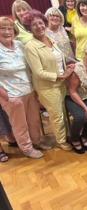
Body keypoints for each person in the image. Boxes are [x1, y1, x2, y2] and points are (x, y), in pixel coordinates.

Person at [23, 10, 74, 151]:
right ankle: (61, 141)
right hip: (47, 86)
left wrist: (67, 67)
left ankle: (65, 135)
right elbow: (38, 72)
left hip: (61, 83)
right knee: (56, 115)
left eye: (40, 23)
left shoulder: (50, 39)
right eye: (34, 25)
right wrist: (60, 76)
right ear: (29, 28)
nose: (39, 26)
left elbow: (59, 58)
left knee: (63, 112)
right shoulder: (30, 46)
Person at [0, 16, 50, 159]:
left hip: (29, 90)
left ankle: (37, 141)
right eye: (3, 28)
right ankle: (27, 148)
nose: (7, 31)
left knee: (34, 120)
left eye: (9, 28)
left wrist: (35, 89)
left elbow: (30, 67)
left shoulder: (19, 45)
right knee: (19, 124)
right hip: (12, 95)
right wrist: (6, 96)